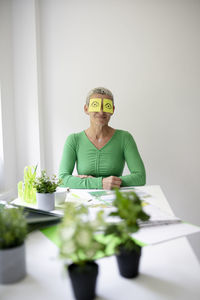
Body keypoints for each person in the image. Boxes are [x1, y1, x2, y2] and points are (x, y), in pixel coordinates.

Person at [59, 87, 146, 190]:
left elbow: (140, 177)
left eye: (106, 107)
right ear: (86, 109)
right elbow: (62, 179)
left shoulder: (125, 138)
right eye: (95, 106)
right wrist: (100, 183)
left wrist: (110, 183)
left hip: (114, 200)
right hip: (85, 202)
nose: (101, 112)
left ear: (112, 110)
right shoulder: (74, 140)